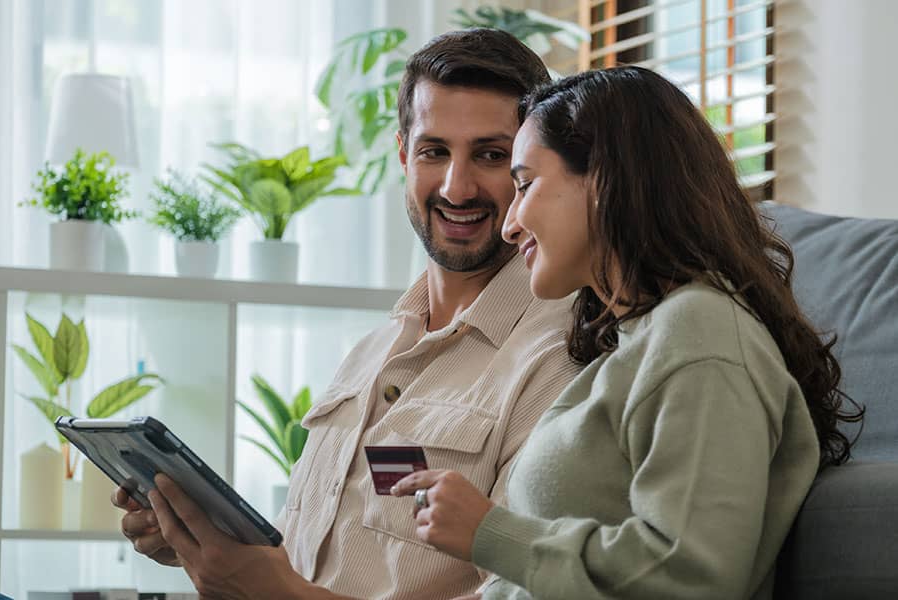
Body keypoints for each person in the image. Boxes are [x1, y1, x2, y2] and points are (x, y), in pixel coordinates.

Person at [111, 29, 583, 600]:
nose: (457, 188)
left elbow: (520, 594)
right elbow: (317, 557)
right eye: (435, 151)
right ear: (404, 153)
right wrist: (200, 542)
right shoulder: (373, 349)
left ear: (532, 166)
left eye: (490, 155)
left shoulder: (559, 358)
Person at [391, 67, 863, 599]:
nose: (510, 223)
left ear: (605, 180)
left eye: (525, 184)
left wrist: (491, 534)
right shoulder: (633, 347)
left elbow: (692, 577)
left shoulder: (701, 334)